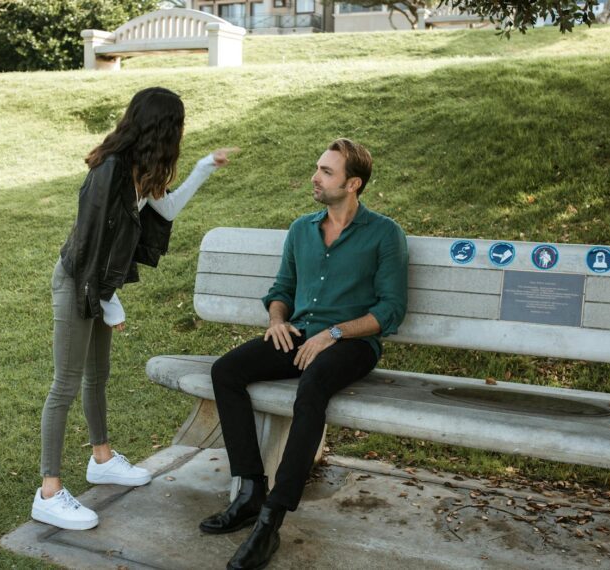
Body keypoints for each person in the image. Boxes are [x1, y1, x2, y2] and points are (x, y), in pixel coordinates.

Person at [32, 86, 237, 531]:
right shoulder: (110, 171)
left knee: (98, 376)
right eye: (178, 127)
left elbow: (168, 208)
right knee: (64, 385)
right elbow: (90, 245)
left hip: (98, 286)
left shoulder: (141, 171)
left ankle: (101, 458)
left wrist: (204, 166)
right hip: (77, 283)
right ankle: (48, 492)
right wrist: (107, 301)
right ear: (162, 129)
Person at [199, 139, 408, 569]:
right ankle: (251, 492)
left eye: (327, 172)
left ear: (353, 184)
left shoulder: (385, 234)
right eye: (318, 168)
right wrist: (277, 320)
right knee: (226, 371)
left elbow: (390, 310)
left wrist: (334, 333)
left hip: (351, 345)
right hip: (299, 335)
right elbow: (281, 292)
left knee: (312, 384)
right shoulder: (301, 229)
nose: (315, 177)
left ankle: (272, 520)